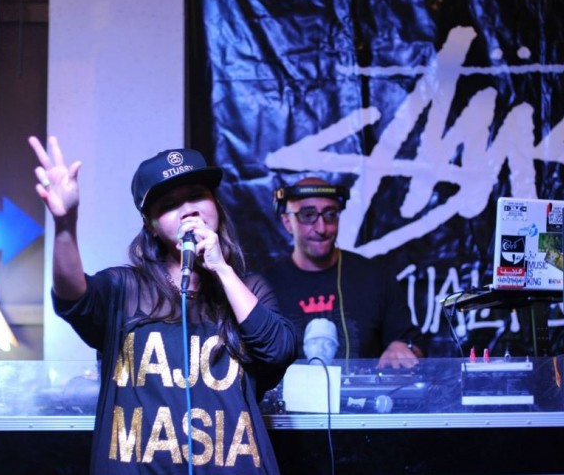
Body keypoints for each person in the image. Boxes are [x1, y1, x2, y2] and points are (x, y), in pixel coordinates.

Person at [29, 136, 297, 474]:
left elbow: (278, 350)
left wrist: (221, 269)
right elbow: (72, 297)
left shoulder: (248, 288)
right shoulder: (125, 289)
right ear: (150, 225)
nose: (188, 210)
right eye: (170, 205)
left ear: (215, 203)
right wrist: (65, 225)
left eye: (197, 195)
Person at [263, 177, 424, 369]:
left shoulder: (376, 276)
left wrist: (401, 348)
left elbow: (414, 346)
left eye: (330, 214)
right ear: (287, 222)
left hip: (360, 389)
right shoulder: (264, 286)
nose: (321, 228)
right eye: (308, 215)